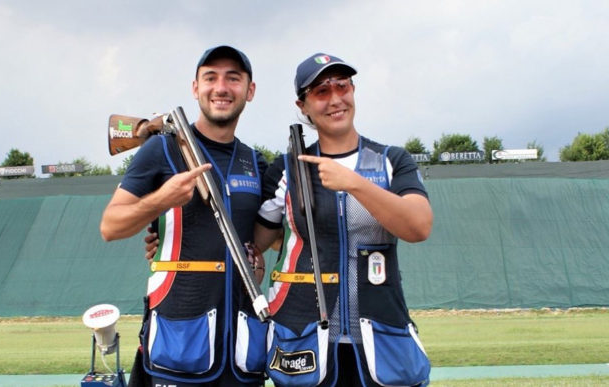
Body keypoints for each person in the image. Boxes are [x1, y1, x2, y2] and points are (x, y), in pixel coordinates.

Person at [254, 53, 434, 387]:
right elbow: (258, 243)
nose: (336, 98)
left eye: (343, 86)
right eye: (322, 91)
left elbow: (418, 226)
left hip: (381, 336)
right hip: (305, 338)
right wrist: (160, 236)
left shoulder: (391, 160)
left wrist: (354, 183)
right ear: (303, 105)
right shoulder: (285, 169)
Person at [100, 45, 268, 387]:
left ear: (250, 91)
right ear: (195, 88)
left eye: (233, 78)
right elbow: (110, 226)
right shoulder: (160, 148)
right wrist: (163, 199)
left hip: (240, 351)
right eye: (210, 78)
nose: (221, 87)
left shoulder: (255, 161)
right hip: (178, 344)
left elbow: (269, 236)